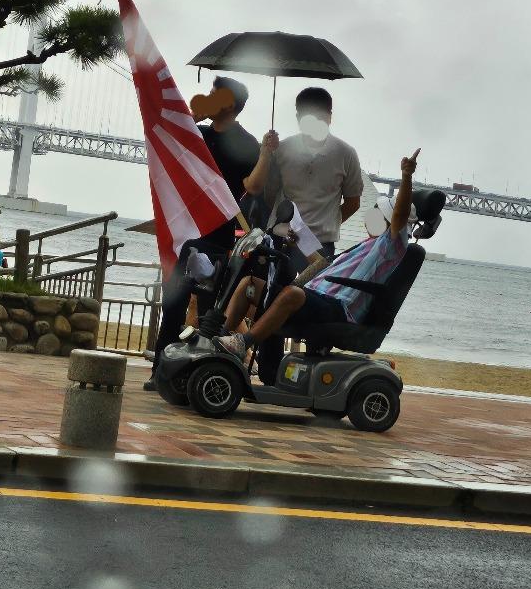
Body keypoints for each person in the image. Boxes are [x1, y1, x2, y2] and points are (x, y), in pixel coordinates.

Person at [215, 148, 420, 362]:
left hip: (340, 307)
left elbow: (400, 215)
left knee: (293, 293)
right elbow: (323, 267)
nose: (372, 214)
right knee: (249, 285)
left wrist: (406, 176)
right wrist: (299, 243)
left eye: (378, 211)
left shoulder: (389, 246)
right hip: (318, 298)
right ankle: (220, 342)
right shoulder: (364, 246)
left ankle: (242, 343)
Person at [144, 76, 264, 391]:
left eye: (213, 94)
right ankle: (160, 372)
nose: (205, 98)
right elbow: (164, 144)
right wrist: (190, 121)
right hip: (185, 238)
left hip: (217, 241)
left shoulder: (247, 144)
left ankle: (203, 375)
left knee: (211, 313)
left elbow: (254, 188)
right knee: (173, 306)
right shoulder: (198, 134)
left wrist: (269, 153)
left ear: (228, 103)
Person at [245, 87, 363, 271]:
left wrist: (326, 223)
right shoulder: (282, 149)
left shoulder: (346, 154)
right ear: (299, 117)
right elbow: (270, 194)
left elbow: (353, 202)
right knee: (269, 294)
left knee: (309, 296)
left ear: (330, 117)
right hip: (280, 238)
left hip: (320, 245)